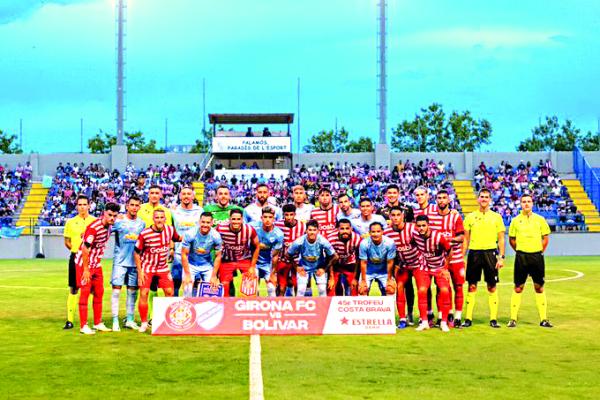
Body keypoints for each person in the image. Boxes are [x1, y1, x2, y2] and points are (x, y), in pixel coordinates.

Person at [462, 188, 506, 328]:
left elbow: (501, 240)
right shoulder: (470, 217)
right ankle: (468, 319)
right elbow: (466, 240)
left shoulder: (496, 217)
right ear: (478, 199)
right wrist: (462, 257)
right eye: (482, 197)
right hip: (474, 254)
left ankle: (493, 319)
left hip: (490, 254)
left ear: (490, 199)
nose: (484, 199)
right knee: (472, 286)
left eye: (487, 197)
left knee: (492, 286)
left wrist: (501, 257)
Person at [507, 194, 553, 328]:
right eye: (524, 202)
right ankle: (513, 319)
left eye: (529, 201)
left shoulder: (540, 219)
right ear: (520, 204)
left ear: (532, 204)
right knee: (518, 287)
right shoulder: (515, 221)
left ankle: (544, 319)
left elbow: (545, 237)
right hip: (521, 257)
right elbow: (512, 239)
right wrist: (520, 250)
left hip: (537, 257)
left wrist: (539, 251)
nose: (526, 204)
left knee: (539, 287)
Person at [134, 209, 183, 333]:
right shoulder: (145, 234)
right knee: (144, 293)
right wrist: (140, 272)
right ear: (153, 219)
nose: (159, 220)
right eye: (157, 217)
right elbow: (136, 252)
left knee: (170, 292)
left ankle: (167, 320)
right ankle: (144, 323)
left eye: (162, 217)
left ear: (165, 219)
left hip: (163, 267)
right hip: (147, 268)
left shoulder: (170, 230)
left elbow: (178, 238)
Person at [75, 202, 120, 334]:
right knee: (85, 293)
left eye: (114, 216)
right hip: (85, 264)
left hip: (97, 264)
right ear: (104, 213)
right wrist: (86, 269)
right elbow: (84, 249)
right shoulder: (94, 228)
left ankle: (98, 323)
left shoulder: (110, 226)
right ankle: (83, 325)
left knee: (99, 293)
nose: (112, 218)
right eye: (109, 215)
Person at [426, 189, 465, 327]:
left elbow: (461, 237)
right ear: (436, 200)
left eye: (444, 198)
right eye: (439, 198)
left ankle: (458, 316)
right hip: (440, 260)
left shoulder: (455, 216)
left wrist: (449, 239)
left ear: (449, 200)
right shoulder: (431, 217)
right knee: (441, 288)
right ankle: (445, 314)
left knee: (458, 286)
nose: (441, 200)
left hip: (456, 258)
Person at [110, 196, 146, 331]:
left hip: (135, 263)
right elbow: (106, 231)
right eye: (132, 205)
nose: (134, 207)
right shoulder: (118, 222)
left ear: (139, 207)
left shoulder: (141, 224)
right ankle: (115, 320)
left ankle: (129, 319)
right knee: (116, 291)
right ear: (127, 206)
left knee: (132, 292)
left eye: (137, 205)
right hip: (120, 261)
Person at [412, 215, 453, 332]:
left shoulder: (438, 237)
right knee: (422, 290)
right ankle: (424, 322)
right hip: (424, 266)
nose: (421, 228)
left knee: (445, 291)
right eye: (418, 226)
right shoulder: (414, 235)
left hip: (439, 267)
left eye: (423, 225)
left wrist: (445, 268)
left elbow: (450, 251)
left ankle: (444, 322)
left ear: (428, 225)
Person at [383, 206, 422, 328]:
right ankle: (402, 319)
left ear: (403, 216)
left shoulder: (412, 228)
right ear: (389, 217)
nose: (395, 218)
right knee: (399, 288)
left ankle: (423, 317)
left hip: (418, 263)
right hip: (402, 265)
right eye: (393, 215)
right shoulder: (387, 233)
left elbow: (422, 243)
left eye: (398, 215)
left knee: (422, 289)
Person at [62, 195, 96, 330]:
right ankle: (70, 320)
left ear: (89, 205)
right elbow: (67, 241)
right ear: (76, 206)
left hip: (91, 259)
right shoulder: (70, 222)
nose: (82, 207)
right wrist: (77, 251)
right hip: (75, 257)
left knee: (93, 289)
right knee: (74, 288)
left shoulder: (94, 221)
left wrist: (88, 254)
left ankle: (95, 320)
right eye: (80, 204)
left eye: (84, 204)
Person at [215, 209, 260, 296]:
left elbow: (257, 246)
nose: (236, 222)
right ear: (229, 219)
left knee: (249, 287)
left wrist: (252, 266)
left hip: (244, 259)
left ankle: (247, 308)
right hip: (227, 260)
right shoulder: (221, 228)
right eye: (233, 219)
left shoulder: (249, 230)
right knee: (225, 286)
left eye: (238, 219)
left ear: (242, 219)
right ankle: (228, 307)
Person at [287, 219, 338, 297]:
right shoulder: (299, 241)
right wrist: (296, 267)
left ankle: (322, 308)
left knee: (322, 290)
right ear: (306, 231)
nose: (312, 232)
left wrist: (324, 269)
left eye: (314, 230)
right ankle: (301, 308)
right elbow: (287, 254)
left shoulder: (323, 241)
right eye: (310, 230)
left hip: (319, 267)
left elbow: (335, 256)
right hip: (304, 267)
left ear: (318, 231)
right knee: (301, 290)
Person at [171, 186, 203, 295]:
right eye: (183, 194)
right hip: (178, 252)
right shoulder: (174, 211)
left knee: (195, 281)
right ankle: (174, 302)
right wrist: (171, 248)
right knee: (176, 280)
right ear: (180, 196)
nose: (186, 196)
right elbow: (172, 230)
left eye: (189, 194)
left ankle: (192, 303)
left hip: (195, 253)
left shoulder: (199, 211)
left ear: (193, 196)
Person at [181, 212, 223, 293]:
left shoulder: (216, 236)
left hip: (207, 265)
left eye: (208, 222)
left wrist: (214, 276)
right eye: (203, 222)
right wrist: (187, 274)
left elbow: (218, 256)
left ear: (212, 223)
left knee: (212, 290)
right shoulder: (190, 234)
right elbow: (184, 254)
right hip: (191, 264)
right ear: (199, 222)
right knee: (187, 288)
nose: (205, 225)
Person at [274, 204, 306, 296]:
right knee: (281, 287)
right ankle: (280, 307)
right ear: (283, 215)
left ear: (295, 214)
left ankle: (298, 308)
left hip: (297, 261)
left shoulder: (302, 226)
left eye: (291, 214)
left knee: (298, 287)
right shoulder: (277, 225)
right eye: (286, 215)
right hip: (282, 260)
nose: (288, 217)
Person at [358, 222, 396, 296]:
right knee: (362, 290)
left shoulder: (390, 243)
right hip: (368, 271)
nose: (376, 234)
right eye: (373, 232)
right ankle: (365, 307)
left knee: (390, 289)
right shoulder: (364, 243)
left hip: (384, 271)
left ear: (382, 232)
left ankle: (387, 307)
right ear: (369, 233)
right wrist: (363, 280)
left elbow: (390, 262)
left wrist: (389, 279)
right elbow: (363, 263)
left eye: (378, 231)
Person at [326, 218, 362, 296]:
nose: (345, 231)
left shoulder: (357, 238)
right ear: (338, 229)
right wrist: (331, 277)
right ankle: (332, 306)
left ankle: (353, 307)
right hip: (335, 264)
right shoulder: (331, 238)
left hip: (350, 263)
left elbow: (359, 258)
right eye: (342, 228)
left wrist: (355, 278)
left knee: (354, 287)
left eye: (347, 228)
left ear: (351, 229)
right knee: (331, 287)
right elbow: (329, 259)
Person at [255, 207, 284, 297]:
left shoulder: (278, 234)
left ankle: (272, 310)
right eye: (265, 217)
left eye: (270, 217)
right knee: (253, 288)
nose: (267, 220)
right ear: (261, 218)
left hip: (268, 264)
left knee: (271, 288)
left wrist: (273, 273)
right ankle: (254, 310)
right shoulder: (253, 227)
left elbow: (275, 256)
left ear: (274, 219)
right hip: (254, 262)